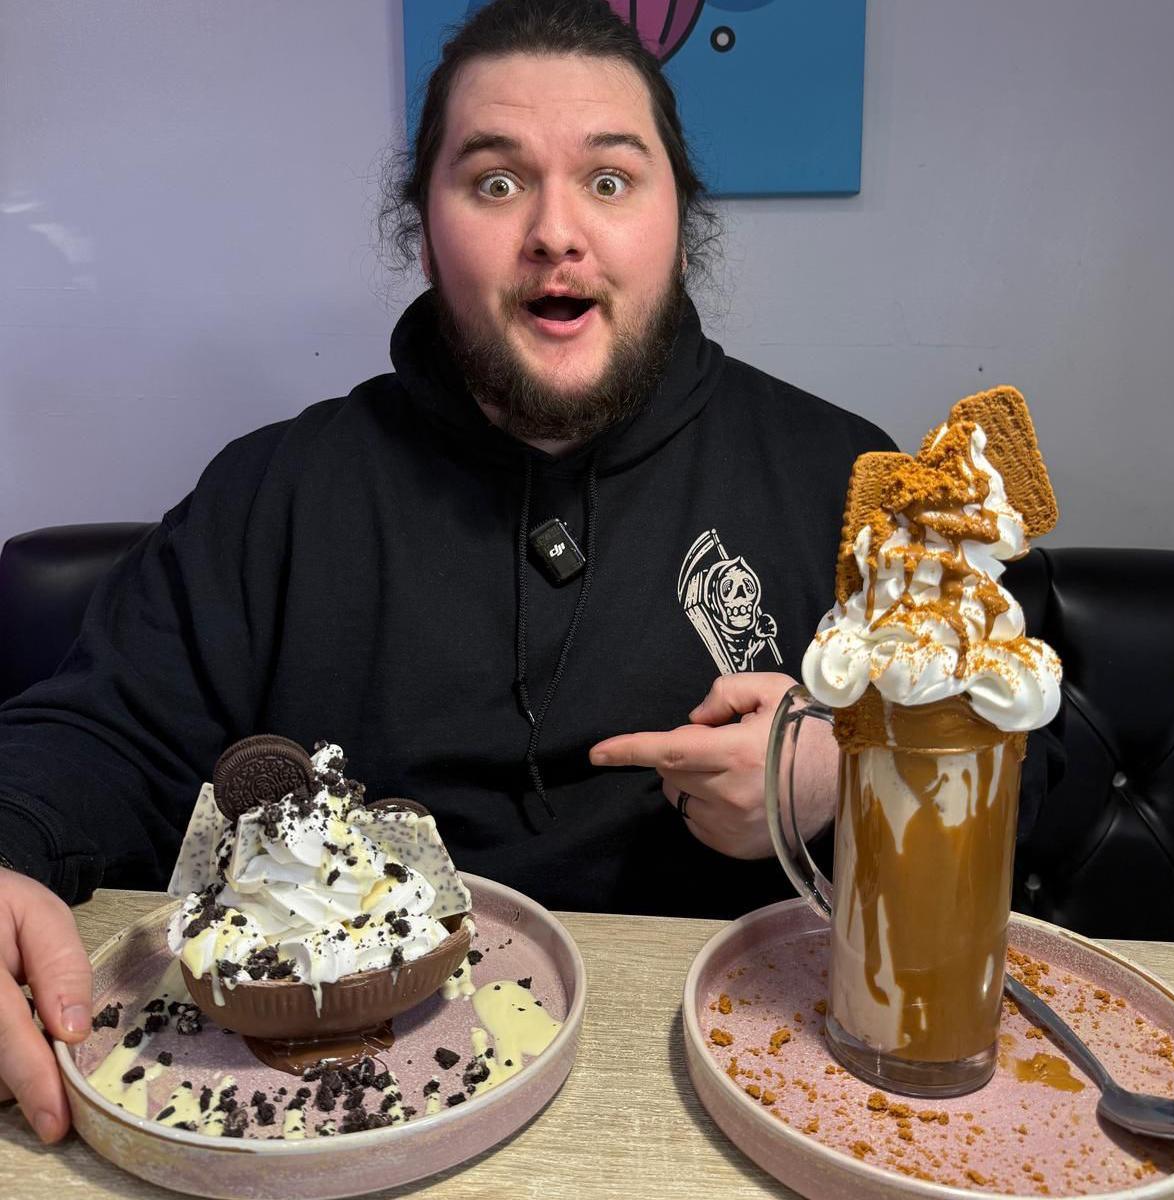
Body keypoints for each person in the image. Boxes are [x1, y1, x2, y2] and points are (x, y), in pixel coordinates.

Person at [0, 0, 896, 1143]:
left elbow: (1032, 763)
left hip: (740, 1096)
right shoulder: (279, 490)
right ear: (423, 231)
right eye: (495, 181)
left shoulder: (846, 478)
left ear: (681, 223)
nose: (557, 233)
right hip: (330, 1114)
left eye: (612, 181)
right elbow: (98, 733)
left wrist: (851, 768)